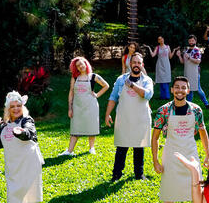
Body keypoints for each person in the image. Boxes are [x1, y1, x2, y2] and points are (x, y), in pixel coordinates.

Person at [151, 77, 209, 203]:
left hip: (190, 154)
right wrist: (155, 161)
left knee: (198, 192)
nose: (180, 90)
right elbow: (155, 137)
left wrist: (207, 155)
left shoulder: (196, 110)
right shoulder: (163, 111)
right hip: (171, 154)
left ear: (188, 90)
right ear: (172, 90)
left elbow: (203, 132)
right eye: (177, 87)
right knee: (168, 191)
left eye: (183, 88)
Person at [0, 91, 44, 203]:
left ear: (22, 107)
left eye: (18, 105)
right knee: (12, 195)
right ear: (8, 109)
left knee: (31, 191)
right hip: (13, 165)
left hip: (29, 162)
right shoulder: (5, 125)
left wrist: (21, 132)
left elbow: (30, 133)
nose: (16, 108)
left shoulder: (27, 121)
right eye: (12, 106)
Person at [105, 53, 154, 181]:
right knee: (122, 146)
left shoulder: (147, 81)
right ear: (130, 64)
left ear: (142, 65)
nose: (136, 65)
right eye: (134, 62)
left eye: (139, 63)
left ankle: (139, 174)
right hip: (124, 118)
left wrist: (132, 85)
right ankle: (116, 174)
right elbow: (113, 97)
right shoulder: (121, 80)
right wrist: (107, 114)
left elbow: (147, 95)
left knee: (139, 147)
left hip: (140, 118)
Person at [58, 57, 109, 156]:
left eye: (82, 64)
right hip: (77, 106)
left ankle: (91, 148)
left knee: (91, 126)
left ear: (86, 64)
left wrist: (97, 95)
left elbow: (106, 85)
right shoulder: (75, 77)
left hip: (91, 105)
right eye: (78, 66)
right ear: (75, 68)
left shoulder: (93, 76)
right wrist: (70, 108)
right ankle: (69, 151)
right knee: (75, 127)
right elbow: (71, 92)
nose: (80, 66)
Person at [176, 35, 209, 108]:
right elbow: (183, 62)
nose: (191, 42)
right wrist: (179, 56)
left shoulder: (197, 50)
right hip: (187, 72)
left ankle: (206, 103)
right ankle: (188, 105)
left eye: (192, 41)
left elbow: (198, 61)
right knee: (189, 89)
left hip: (194, 73)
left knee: (198, 89)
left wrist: (190, 58)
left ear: (195, 41)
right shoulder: (186, 50)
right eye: (190, 41)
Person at [145, 36, 175, 100]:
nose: (161, 40)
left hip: (166, 65)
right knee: (161, 81)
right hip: (160, 65)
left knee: (166, 80)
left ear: (163, 39)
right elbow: (153, 55)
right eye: (159, 39)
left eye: (161, 39)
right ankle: (162, 96)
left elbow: (170, 57)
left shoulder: (168, 47)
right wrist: (149, 48)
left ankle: (167, 96)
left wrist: (174, 50)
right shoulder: (157, 47)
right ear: (158, 41)